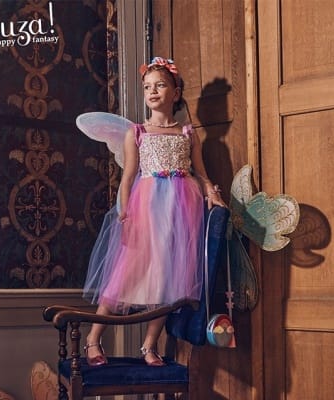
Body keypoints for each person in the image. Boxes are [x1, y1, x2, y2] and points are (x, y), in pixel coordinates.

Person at [83, 57, 226, 367]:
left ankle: (149, 346)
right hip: (146, 208)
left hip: (181, 211)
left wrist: (212, 194)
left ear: (176, 93)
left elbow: (200, 174)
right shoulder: (137, 132)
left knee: (168, 278)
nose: (153, 91)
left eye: (160, 85)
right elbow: (128, 178)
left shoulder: (187, 133)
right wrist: (124, 212)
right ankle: (93, 339)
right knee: (125, 273)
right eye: (147, 87)